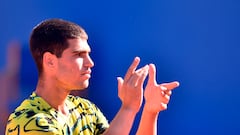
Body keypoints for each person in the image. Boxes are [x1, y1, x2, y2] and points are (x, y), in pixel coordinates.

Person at [5, 18, 179, 135]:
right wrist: (128, 108)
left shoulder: (85, 109)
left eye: (88, 54)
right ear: (50, 61)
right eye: (79, 55)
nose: (90, 62)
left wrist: (150, 111)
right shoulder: (29, 122)